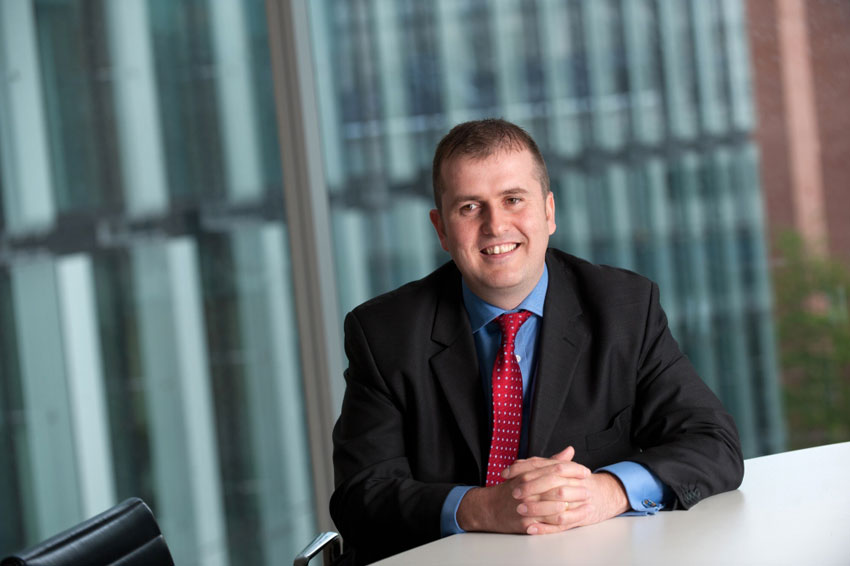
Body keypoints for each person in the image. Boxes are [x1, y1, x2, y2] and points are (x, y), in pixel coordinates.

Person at [330, 119, 744, 565]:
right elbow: (360, 497)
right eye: (470, 207)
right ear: (442, 230)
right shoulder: (385, 332)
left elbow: (713, 443)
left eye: (513, 199)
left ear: (548, 211)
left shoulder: (624, 308)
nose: (495, 225)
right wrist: (482, 508)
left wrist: (603, 492)